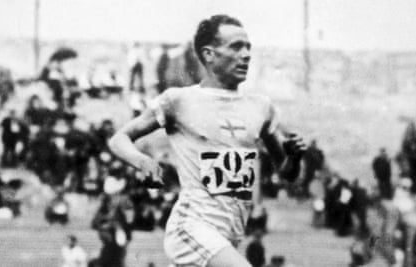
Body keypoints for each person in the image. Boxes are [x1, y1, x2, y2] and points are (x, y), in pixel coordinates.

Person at [108, 14, 306, 267]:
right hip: (191, 228)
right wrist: (142, 161)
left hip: (229, 234)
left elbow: (287, 172)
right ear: (209, 54)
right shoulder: (179, 100)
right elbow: (119, 139)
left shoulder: (261, 107)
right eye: (236, 47)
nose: (246, 54)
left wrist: (296, 157)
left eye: (248, 47)